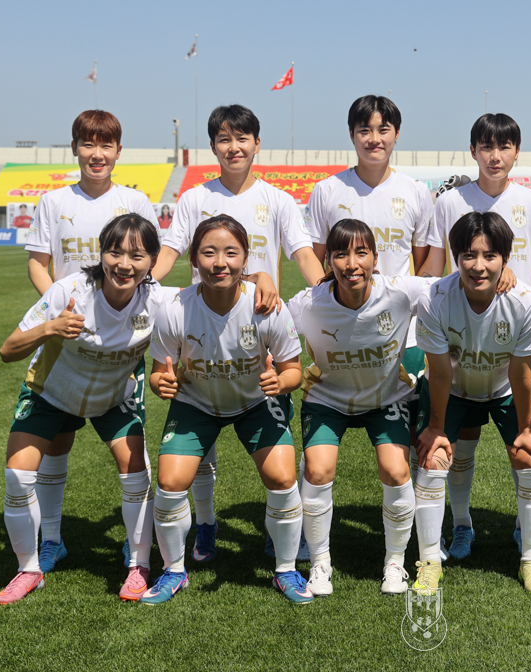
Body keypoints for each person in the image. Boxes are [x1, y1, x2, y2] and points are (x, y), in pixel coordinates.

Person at [152, 104, 325, 564]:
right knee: (199, 452)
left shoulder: (278, 200)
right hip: (204, 334)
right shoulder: (194, 198)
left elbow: (304, 255)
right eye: (224, 139)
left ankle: (279, 532)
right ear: (213, 146)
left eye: (242, 138)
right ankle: (206, 524)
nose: (234, 147)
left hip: (259, 336)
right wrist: (141, 286)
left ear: (256, 143)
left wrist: (332, 294)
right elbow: (169, 252)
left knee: (277, 463)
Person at [0, 214, 165, 604]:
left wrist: (261, 282)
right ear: (101, 254)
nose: (124, 264)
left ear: (153, 261)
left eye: (137, 255)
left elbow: (210, 298)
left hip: (114, 397)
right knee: (18, 477)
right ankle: (30, 568)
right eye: (115, 252)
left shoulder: (159, 301)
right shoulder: (68, 291)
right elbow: (8, 350)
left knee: (136, 472)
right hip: (51, 393)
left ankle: (138, 564)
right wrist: (50, 328)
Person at [144, 215, 310, 604]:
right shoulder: (174, 309)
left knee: (283, 478)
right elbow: (158, 373)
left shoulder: (266, 306)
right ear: (193, 259)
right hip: (196, 402)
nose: (220, 262)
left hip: (255, 403)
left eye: (231, 253)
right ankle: (174, 571)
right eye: (209, 253)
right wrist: (161, 383)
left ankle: (286, 569)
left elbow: (294, 371)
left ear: (245, 259)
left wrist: (280, 383)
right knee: (170, 482)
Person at [24, 110, 158, 575]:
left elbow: (148, 260)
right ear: (75, 148)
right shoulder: (53, 201)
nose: (96, 154)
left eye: (105, 145)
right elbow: (38, 262)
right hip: (68, 339)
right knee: (56, 443)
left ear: (118, 151)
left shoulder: (134, 201)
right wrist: (59, 310)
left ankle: (135, 546)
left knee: (131, 450)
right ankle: (52, 540)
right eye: (88, 144)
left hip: (119, 342)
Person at [422, 113, 531, 560]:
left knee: (525, 443)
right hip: (462, 336)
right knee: (461, 444)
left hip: (518, 335)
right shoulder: (449, 202)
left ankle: (524, 528)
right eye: (486, 146)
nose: (495, 156)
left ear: (517, 152)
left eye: (504, 147)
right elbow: (436, 266)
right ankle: (462, 525)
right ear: (473, 150)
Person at [287, 219, 433, 596]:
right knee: (318, 470)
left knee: (396, 470)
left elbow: (452, 288)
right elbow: (267, 322)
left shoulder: (400, 292)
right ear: (328, 262)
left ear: (375, 259)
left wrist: (504, 274)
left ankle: (395, 563)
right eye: (340, 254)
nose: (351, 264)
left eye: (361, 253)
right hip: (327, 398)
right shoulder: (309, 303)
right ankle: (320, 562)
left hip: (385, 398)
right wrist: (260, 284)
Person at [414, 212, 531, 594]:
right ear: (456, 257)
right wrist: (435, 428)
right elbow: (440, 372)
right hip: (455, 388)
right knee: (434, 458)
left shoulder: (526, 302)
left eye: (489, 256)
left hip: (506, 388)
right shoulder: (435, 298)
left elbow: (521, 372)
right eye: (468, 255)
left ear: (505, 258)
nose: (478, 266)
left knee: (530, 456)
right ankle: (433, 556)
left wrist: (527, 429)